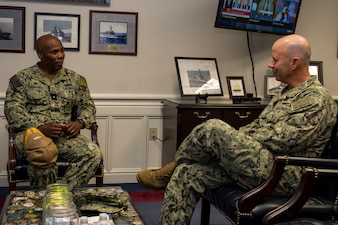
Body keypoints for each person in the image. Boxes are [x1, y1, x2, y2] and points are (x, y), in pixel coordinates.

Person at [136, 34, 337, 224]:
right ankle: (174, 175)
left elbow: (285, 140)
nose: (270, 64)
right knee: (187, 173)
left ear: (294, 63)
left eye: (275, 60)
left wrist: (235, 139)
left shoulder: (316, 98)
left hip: (285, 174)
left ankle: (165, 173)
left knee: (213, 128)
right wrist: (236, 141)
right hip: (263, 164)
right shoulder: (286, 92)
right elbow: (259, 127)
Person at [4, 34, 103, 190]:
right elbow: (13, 112)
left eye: (62, 51)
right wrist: (40, 127)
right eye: (54, 52)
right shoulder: (22, 79)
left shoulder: (75, 79)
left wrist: (79, 123)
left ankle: (59, 194)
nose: (61, 56)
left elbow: (88, 106)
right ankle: (43, 198)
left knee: (93, 153)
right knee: (43, 152)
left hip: (64, 137)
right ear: (40, 54)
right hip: (31, 136)